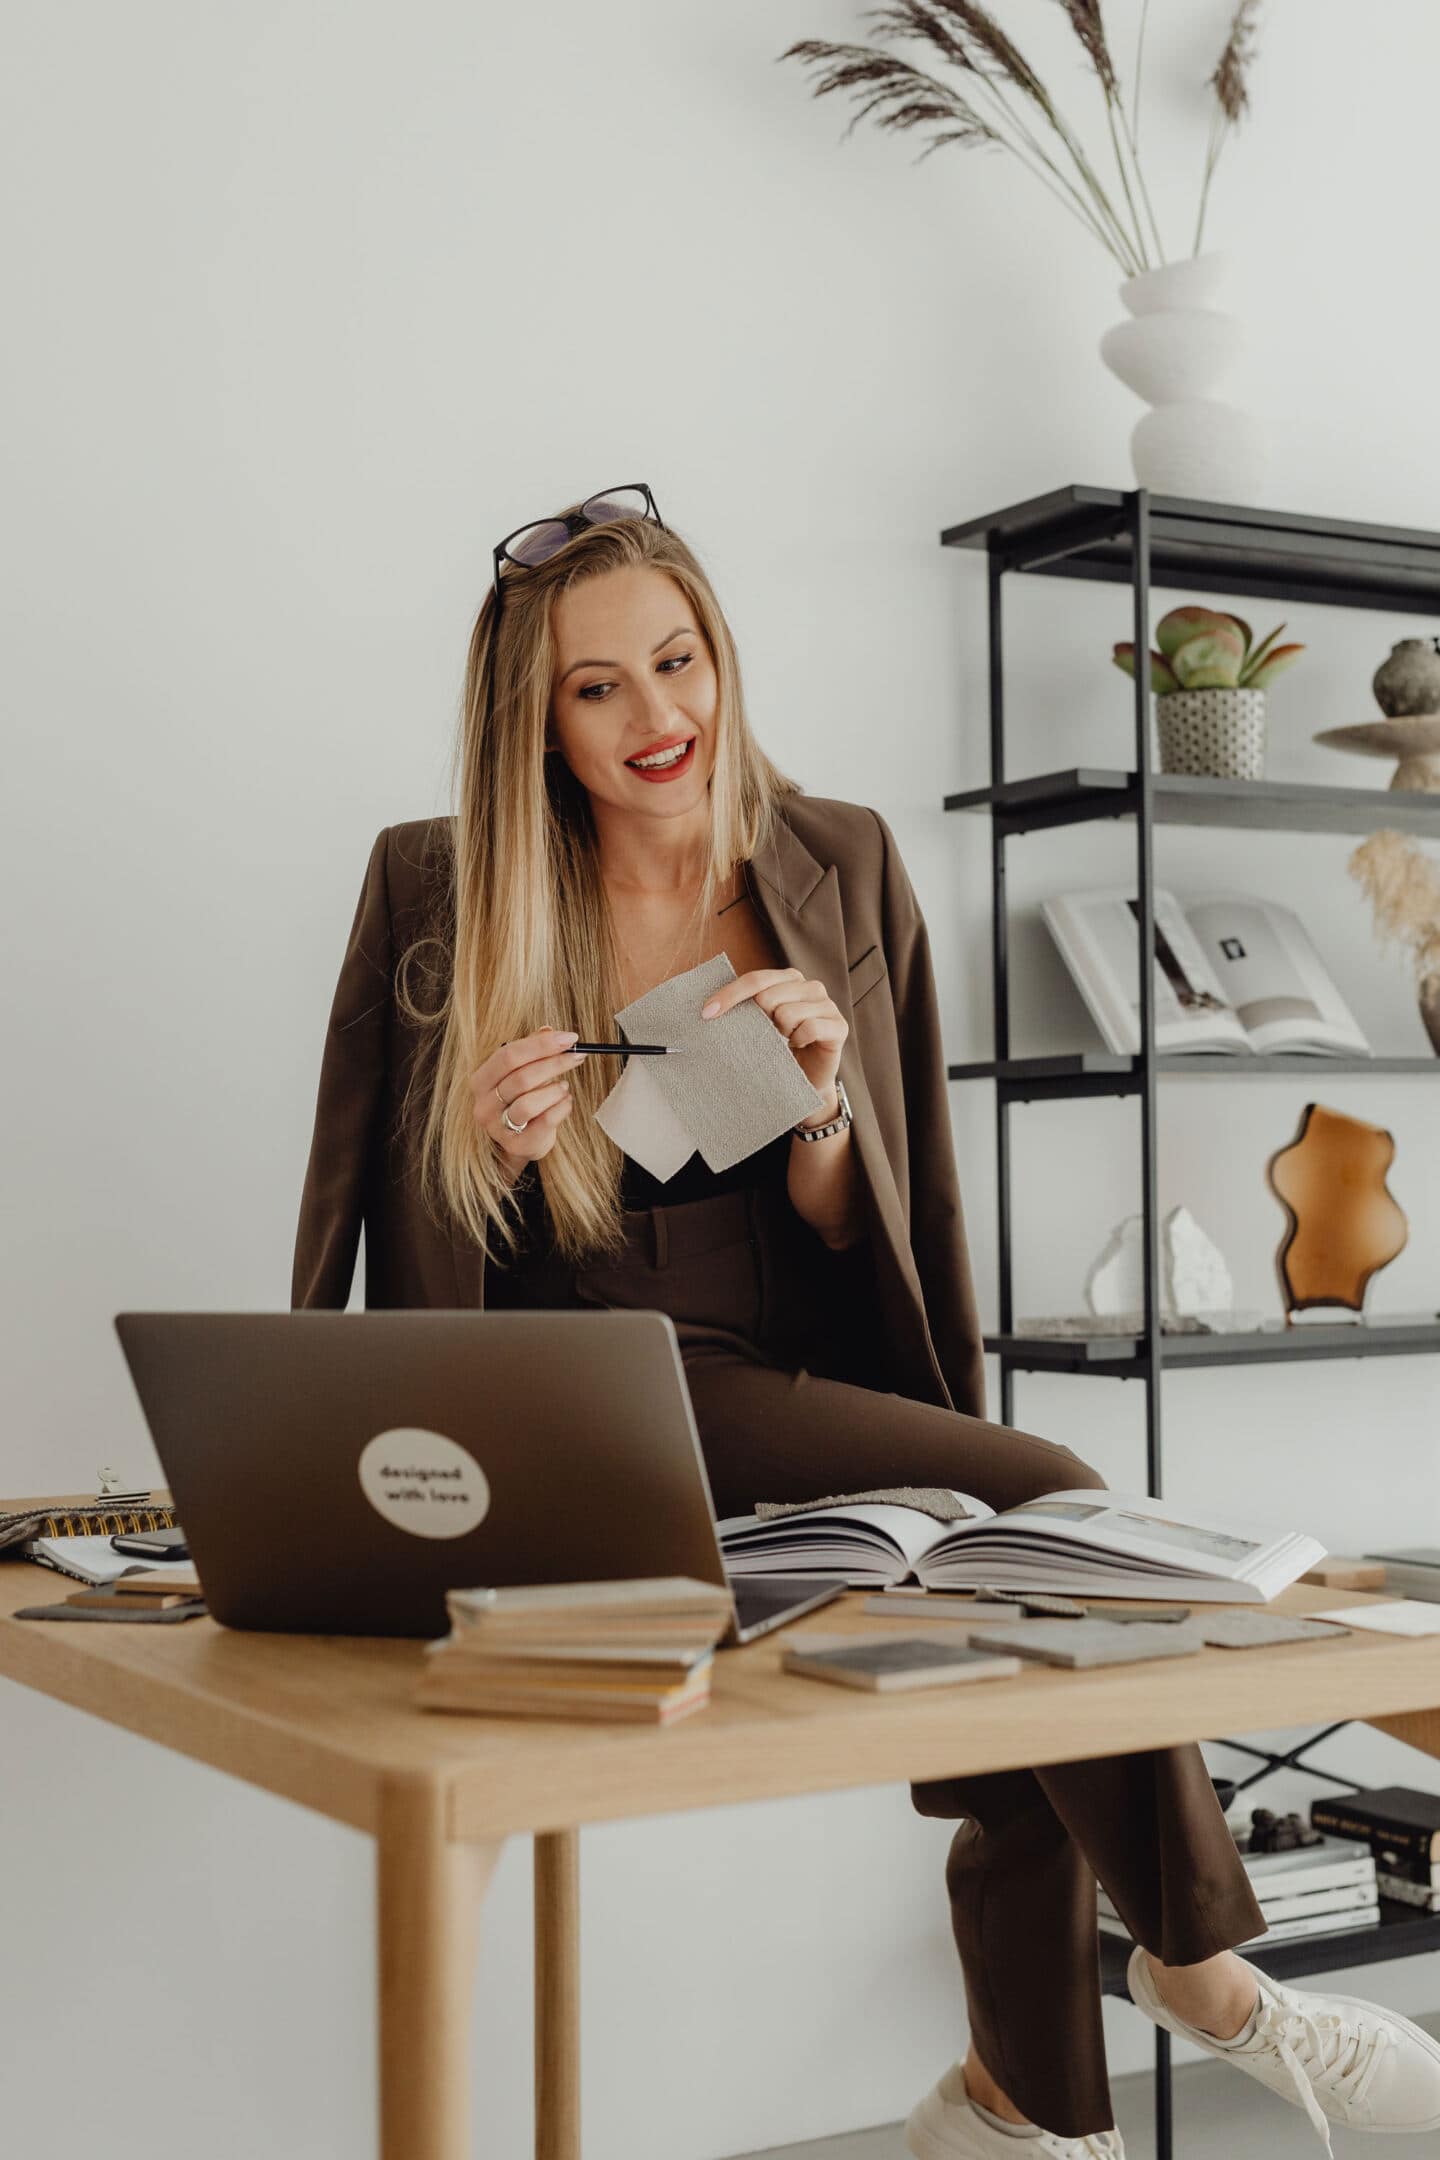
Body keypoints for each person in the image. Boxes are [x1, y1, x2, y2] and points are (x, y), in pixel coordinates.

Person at [291, 485, 1440, 2160]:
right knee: (1043, 1484)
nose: (657, 716)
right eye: (597, 686)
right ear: (533, 716)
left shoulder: (835, 857)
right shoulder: (439, 887)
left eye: (676, 662)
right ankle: (1205, 1985)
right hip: (570, 1380)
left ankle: (1027, 2113)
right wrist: (472, 1140)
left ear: (721, 655)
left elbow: (877, 1230)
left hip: (777, 1361)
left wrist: (823, 1111)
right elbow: (377, 1217)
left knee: (1025, 1574)